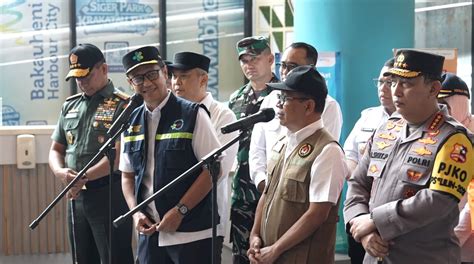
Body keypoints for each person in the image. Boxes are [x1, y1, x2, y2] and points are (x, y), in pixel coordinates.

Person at [344, 49, 474, 264]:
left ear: (434, 88)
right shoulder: (386, 130)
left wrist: (375, 220)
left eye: (407, 83)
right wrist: (362, 225)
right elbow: (358, 183)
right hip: (375, 256)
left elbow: (438, 200)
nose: (396, 90)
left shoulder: (455, 139)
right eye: (393, 81)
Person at [119, 46, 222, 264]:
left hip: (191, 232)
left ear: (165, 72)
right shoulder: (129, 123)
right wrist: (136, 213)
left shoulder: (193, 114)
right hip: (150, 234)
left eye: (152, 74)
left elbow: (212, 170)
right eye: (138, 78)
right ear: (130, 84)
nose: (146, 83)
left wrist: (180, 210)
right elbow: (127, 175)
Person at [247, 66, 347, 263]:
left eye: (285, 99)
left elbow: (316, 214)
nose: (278, 104)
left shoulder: (328, 151)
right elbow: (267, 194)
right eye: (279, 98)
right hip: (269, 254)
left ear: (308, 106)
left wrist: (276, 249)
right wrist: (255, 236)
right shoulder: (283, 143)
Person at [49, 43, 133, 264]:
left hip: (109, 195)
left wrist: (82, 178)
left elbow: (118, 157)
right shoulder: (70, 106)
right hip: (76, 197)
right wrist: (60, 172)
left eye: (86, 75)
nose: (81, 82)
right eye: (76, 77)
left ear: (104, 69)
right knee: (82, 258)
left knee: (114, 258)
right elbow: (56, 149)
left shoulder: (123, 106)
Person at [168, 51, 239, 262]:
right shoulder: (169, 114)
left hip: (203, 219)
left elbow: (217, 171)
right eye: (173, 76)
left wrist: (181, 208)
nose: (176, 83)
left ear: (204, 79)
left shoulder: (222, 115)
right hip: (166, 219)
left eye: (184, 76)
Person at [249, 42, 343, 193]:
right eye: (283, 65)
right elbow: (257, 149)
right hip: (266, 190)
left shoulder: (328, 106)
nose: (285, 72)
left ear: (310, 69)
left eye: (292, 66)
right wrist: (262, 182)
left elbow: (323, 155)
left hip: (301, 193)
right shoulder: (270, 99)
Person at [228, 35, 278, 264]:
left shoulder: (283, 97)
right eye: (244, 60)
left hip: (272, 189)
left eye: (254, 58)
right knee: (241, 255)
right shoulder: (236, 99)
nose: (249, 64)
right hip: (242, 190)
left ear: (270, 59)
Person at [343, 58, 395, 264]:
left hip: (390, 216)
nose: (383, 88)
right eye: (380, 81)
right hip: (359, 209)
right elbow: (350, 157)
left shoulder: (415, 122)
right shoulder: (368, 117)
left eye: (390, 82)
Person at [437, 73, 474, 264]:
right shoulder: (436, 133)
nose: (439, 110)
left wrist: (451, 240)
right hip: (437, 242)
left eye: (444, 104)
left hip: (462, 247)